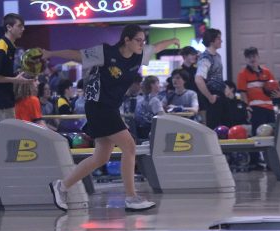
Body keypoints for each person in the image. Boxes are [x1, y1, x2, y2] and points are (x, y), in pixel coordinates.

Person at [43, 24, 179, 211]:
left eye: (143, 41)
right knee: (129, 146)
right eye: (138, 40)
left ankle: (62, 186)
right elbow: (78, 55)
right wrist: (50, 53)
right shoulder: (106, 52)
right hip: (98, 106)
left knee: (101, 157)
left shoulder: (139, 55)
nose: (142, 44)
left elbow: (156, 48)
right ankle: (131, 197)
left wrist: (172, 41)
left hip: (111, 108)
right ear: (127, 40)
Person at [0, 13, 33, 124]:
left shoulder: (10, 46)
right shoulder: (1, 48)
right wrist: (15, 80)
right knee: (3, 138)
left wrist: (18, 75)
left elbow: (0, 73)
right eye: (19, 26)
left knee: (8, 137)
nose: (23, 29)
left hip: (6, 100)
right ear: (9, 27)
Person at [237, 47, 280, 134]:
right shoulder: (242, 74)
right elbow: (243, 94)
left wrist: (279, 95)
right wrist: (247, 108)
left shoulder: (267, 72)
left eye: (254, 56)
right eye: (249, 57)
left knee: (272, 133)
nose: (252, 59)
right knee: (258, 134)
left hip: (269, 108)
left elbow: (276, 89)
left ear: (258, 57)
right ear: (246, 59)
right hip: (255, 109)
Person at [195, 28, 227, 129]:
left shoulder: (217, 56)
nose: (221, 41)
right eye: (218, 38)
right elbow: (198, 79)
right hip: (212, 97)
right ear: (211, 40)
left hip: (219, 96)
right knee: (214, 128)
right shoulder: (205, 58)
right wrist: (210, 97)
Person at [180, 46, 205, 123]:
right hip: (186, 103)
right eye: (192, 54)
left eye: (195, 54)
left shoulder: (197, 70)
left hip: (200, 101)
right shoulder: (179, 71)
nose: (194, 56)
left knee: (202, 125)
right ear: (184, 56)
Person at [135, 75, 164, 140]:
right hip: (151, 133)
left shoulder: (139, 99)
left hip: (139, 133)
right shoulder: (155, 100)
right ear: (152, 85)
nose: (160, 86)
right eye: (158, 83)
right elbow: (162, 118)